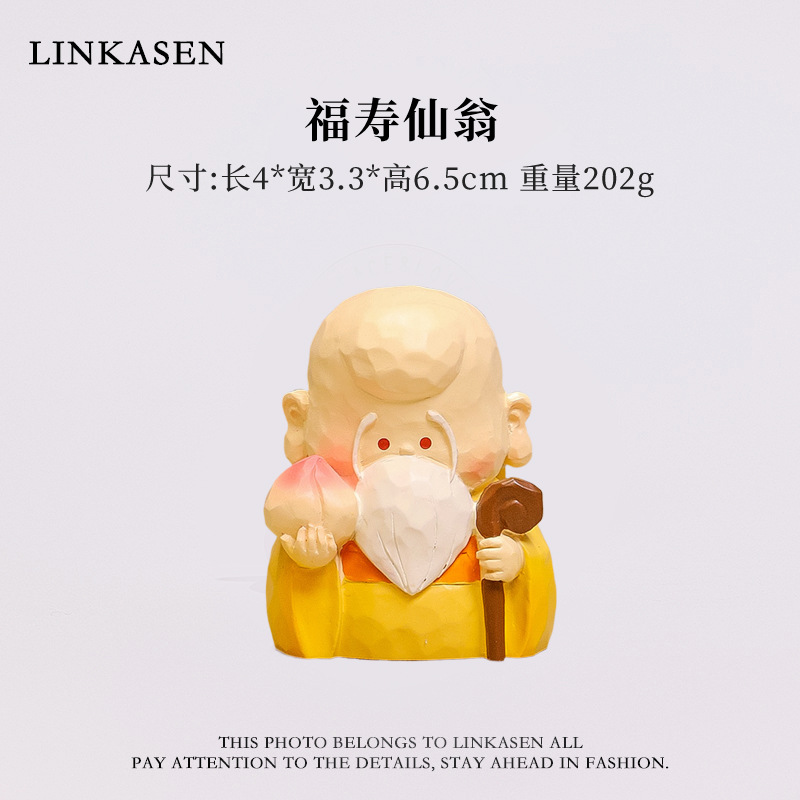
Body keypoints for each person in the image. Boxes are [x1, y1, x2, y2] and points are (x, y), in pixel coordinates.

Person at [264, 286, 556, 659]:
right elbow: (294, 620)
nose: (405, 455)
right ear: (300, 422)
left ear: (512, 424)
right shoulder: (322, 516)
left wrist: (517, 562)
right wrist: (310, 565)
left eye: (429, 441)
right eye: (379, 441)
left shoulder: (500, 513)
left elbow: (534, 583)